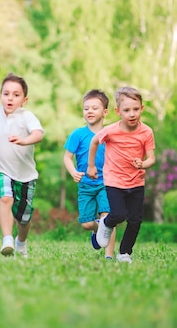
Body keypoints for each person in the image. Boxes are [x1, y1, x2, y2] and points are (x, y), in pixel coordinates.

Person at [0, 73, 44, 258]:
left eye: (16, 95)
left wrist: (24, 141)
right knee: (5, 198)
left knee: (24, 217)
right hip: (2, 169)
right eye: (6, 94)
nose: (10, 98)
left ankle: (20, 242)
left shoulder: (27, 117)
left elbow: (38, 134)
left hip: (26, 174)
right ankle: (7, 239)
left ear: (24, 100)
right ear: (0, 95)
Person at [88, 86, 156, 264]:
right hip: (114, 180)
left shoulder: (146, 132)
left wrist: (144, 164)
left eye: (136, 109)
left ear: (141, 108)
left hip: (136, 182)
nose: (132, 114)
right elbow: (94, 142)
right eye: (127, 110)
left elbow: (151, 158)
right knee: (117, 215)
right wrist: (91, 166)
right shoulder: (111, 131)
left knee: (135, 220)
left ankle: (124, 252)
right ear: (118, 111)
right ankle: (104, 223)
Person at [63, 89, 116, 259]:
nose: (90, 111)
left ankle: (109, 256)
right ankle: (97, 229)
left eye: (94, 108)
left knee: (109, 218)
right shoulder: (78, 134)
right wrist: (73, 172)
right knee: (86, 223)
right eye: (86, 108)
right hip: (85, 184)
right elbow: (67, 158)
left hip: (106, 183)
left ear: (105, 112)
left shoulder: (110, 135)